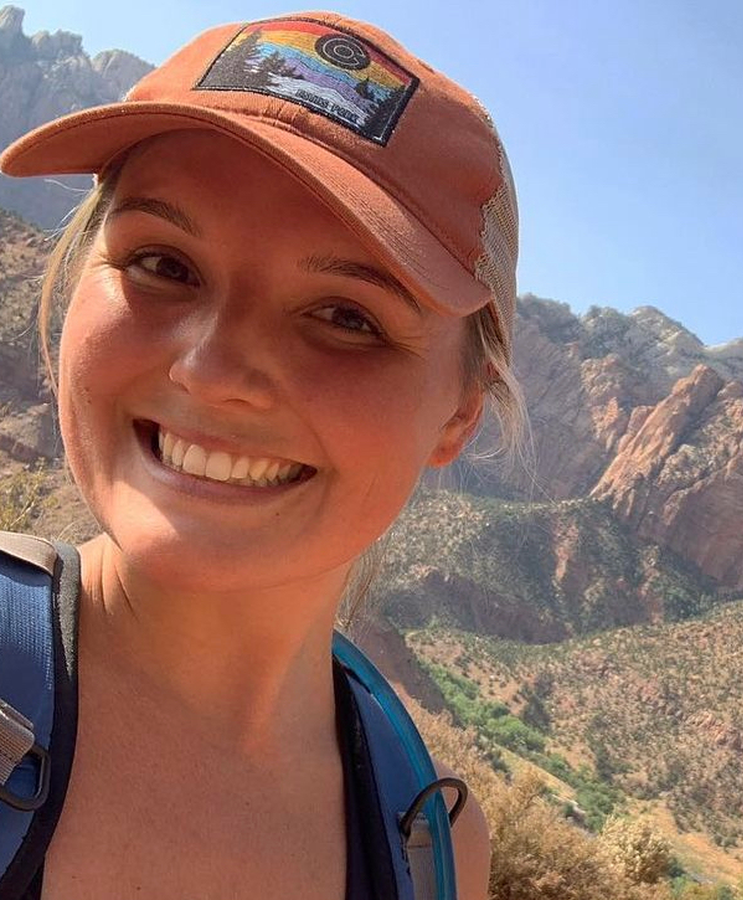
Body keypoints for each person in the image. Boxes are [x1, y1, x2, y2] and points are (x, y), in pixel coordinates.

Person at [0, 10, 523, 900]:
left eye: (346, 317)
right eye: (164, 263)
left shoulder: (431, 848)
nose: (211, 373)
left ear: (460, 415)